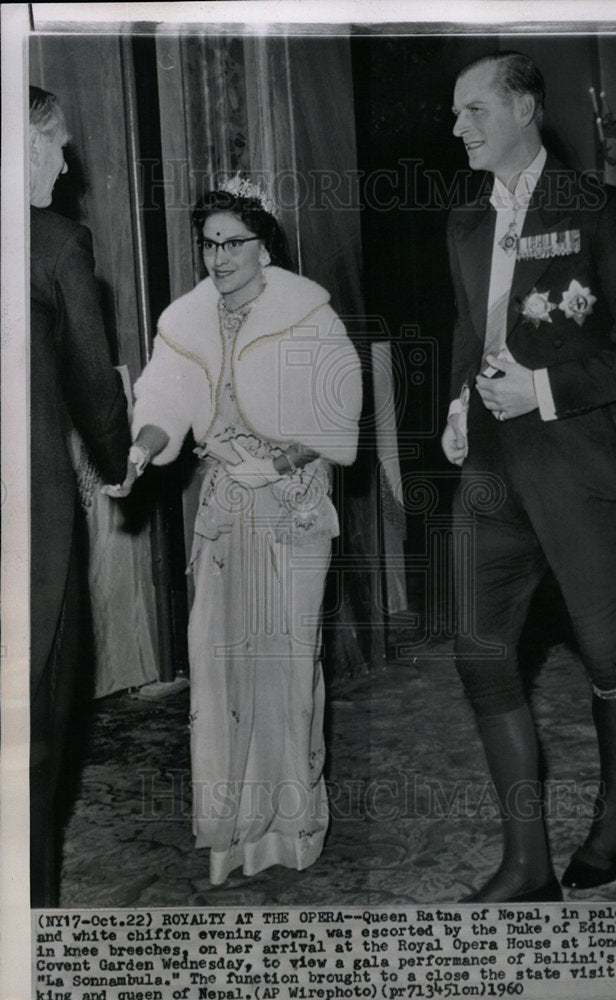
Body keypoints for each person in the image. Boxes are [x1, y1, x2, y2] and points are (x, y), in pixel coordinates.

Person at [441, 53, 616, 902]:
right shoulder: (465, 224)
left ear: (526, 108)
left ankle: (615, 825)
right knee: (480, 651)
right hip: (493, 475)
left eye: (474, 110)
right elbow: (471, 334)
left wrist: (540, 389)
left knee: (609, 659)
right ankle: (527, 864)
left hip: (579, 468)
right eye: (455, 113)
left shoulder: (600, 211)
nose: (459, 127)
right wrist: (457, 406)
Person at [104, 177, 362, 885]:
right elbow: (164, 398)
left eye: (233, 243)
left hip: (292, 507)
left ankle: (290, 829)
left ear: (263, 244)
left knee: (284, 668)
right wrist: (140, 447)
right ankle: (234, 835)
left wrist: (277, 461)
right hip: (227, 510)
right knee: (220, 670)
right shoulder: (190, 319)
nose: (219, 258)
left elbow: (338, 415)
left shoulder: (308, 314)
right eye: (209, 243)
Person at [29, 86, 132, 906]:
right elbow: (95, 390)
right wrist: (119, 458)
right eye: (57, 144)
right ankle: (30, 919)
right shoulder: (57, 245)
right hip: (30, 529)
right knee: (39, 723)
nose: (67, 164)